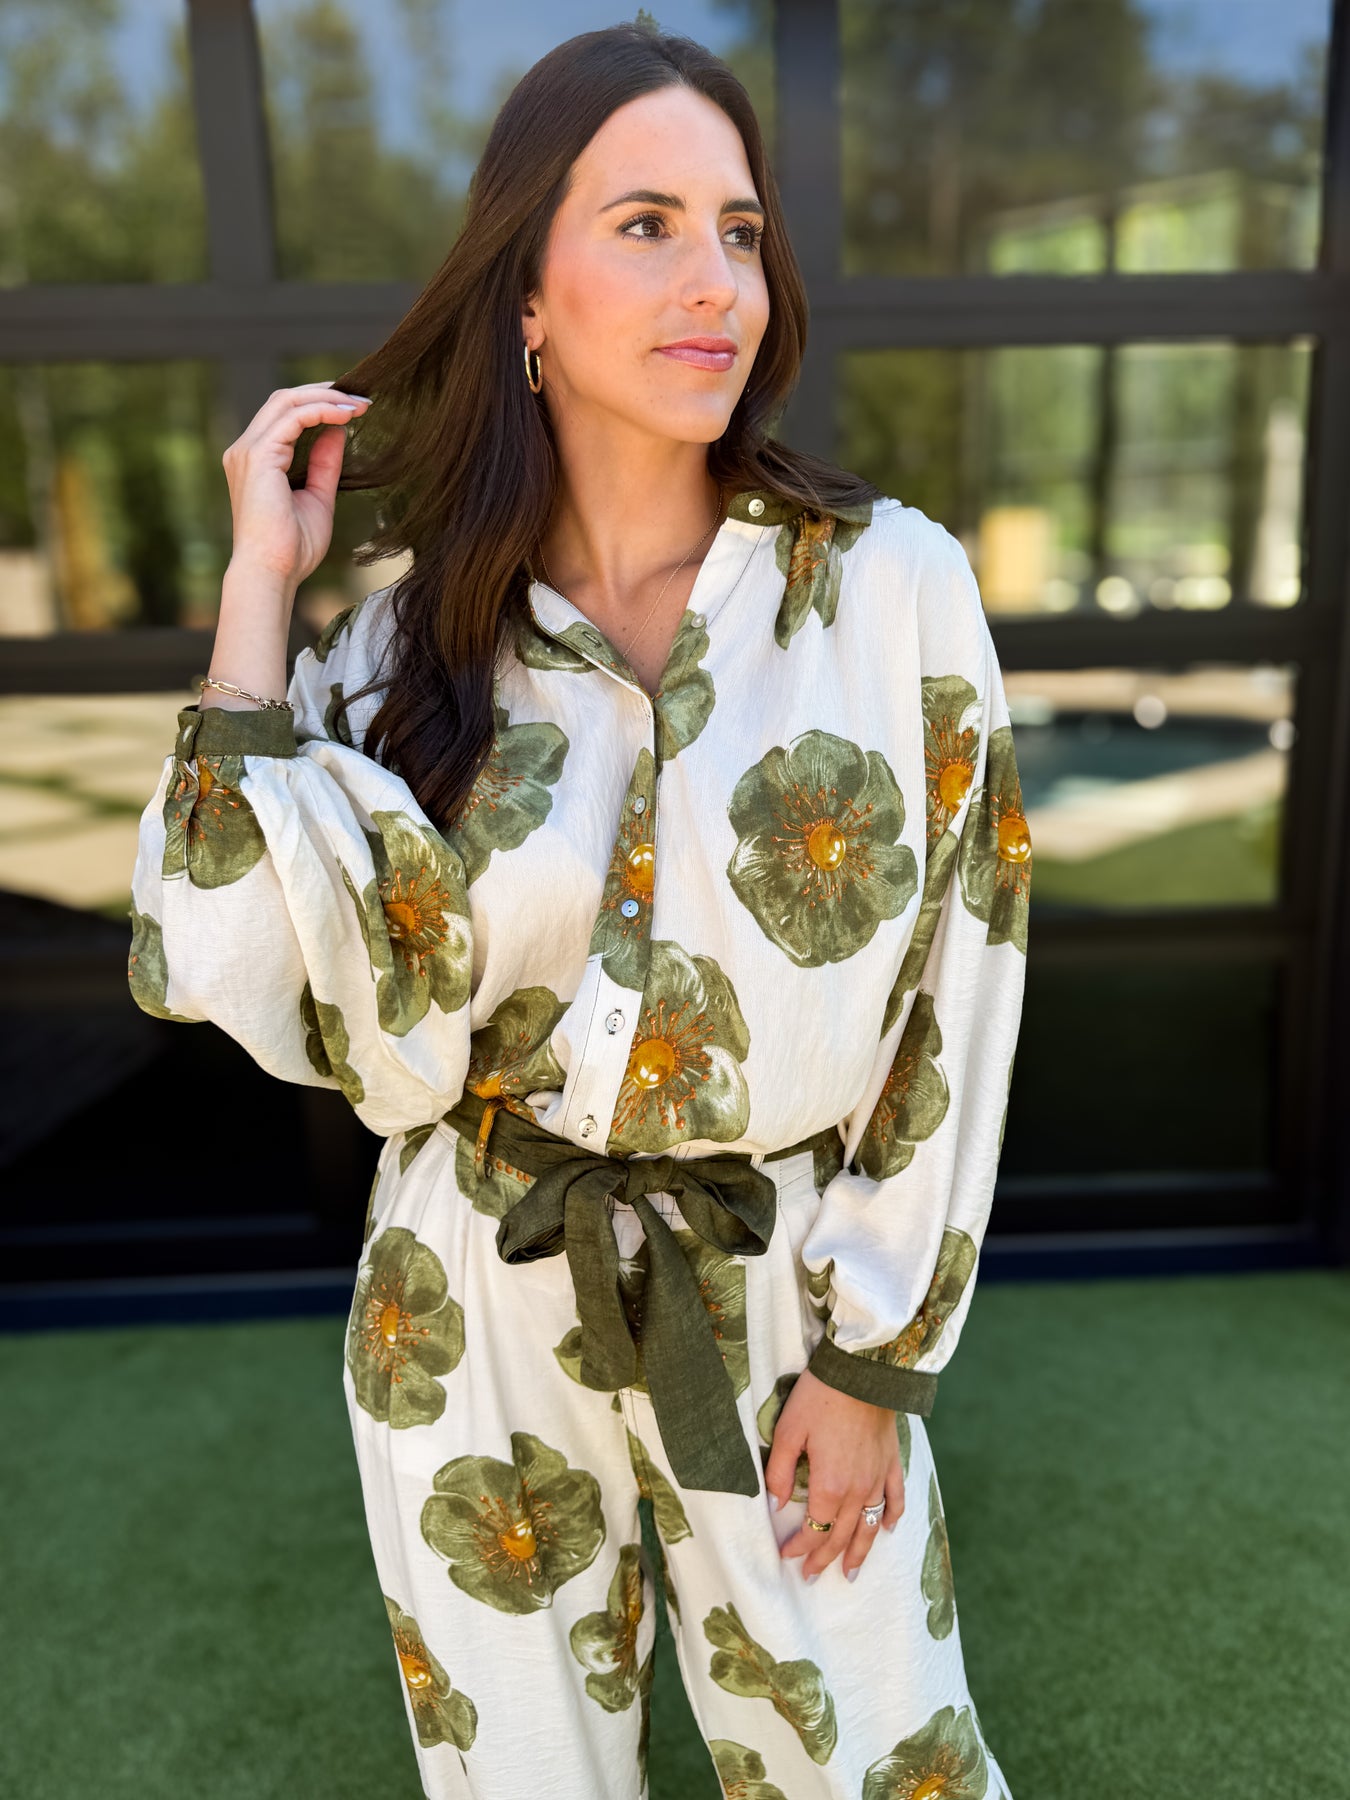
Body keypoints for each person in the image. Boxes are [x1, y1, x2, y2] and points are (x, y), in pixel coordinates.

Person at [128, 20, 1031, 1800]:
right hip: (464, 1301)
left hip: (779, 1294)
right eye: (645, 226)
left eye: (739, 231)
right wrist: (259, 596)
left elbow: (966, 971)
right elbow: (209, 953)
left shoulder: (888, 590)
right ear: (525, 295)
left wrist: (877, 1362)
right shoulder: (406, 647)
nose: (715, 283)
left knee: (875, 1763)